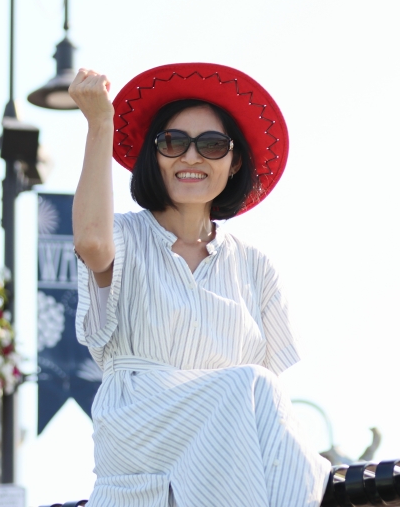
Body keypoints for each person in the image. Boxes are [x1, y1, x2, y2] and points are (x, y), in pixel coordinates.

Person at [69, 63, 332, 507]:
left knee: (265, 404)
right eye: (173, 143)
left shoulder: (255, 266)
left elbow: (268, 412)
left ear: (234, 162)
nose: (191, 157)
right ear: (154, 156)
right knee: (252, 386)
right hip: (138, 429)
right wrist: (99, 123)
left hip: (226, 456)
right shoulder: (125, 237)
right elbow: (91, 242)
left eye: (212, 145)